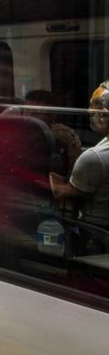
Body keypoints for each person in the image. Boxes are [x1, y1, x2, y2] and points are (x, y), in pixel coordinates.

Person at [51, 81, 109, 250]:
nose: (90, 112)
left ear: (105, 114)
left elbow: (62, 194)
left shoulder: (95, 157)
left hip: (96, 235)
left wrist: (54, 164)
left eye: (94, 107)